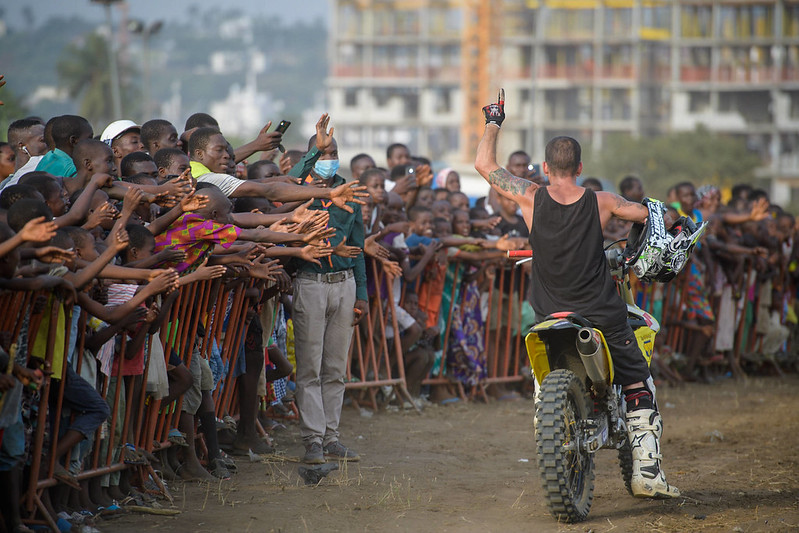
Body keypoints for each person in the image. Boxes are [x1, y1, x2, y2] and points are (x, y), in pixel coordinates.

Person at [474, 93, 680, 499]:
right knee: (638, 380)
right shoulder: (602, 201)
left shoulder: (529, 195)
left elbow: (484, 165)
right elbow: (649, 215)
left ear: (546, 168)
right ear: (581, 168)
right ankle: (647, 473)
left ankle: (546, 420)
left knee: (543, 375)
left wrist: (494, 120)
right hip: (601, 312)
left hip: (550, 311)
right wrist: (669, 216)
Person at [293, 123, 368, 465]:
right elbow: (285, 184)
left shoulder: (348, 191)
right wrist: (311, 154)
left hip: (345, 283)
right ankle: (313, 439)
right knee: (309, 366)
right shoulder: (299, 189)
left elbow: (359, 247)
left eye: (334, 153)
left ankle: (332, 437)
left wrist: (362, 294)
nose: (330, 159)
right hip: (311, 282)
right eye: (324, 154)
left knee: (335, 368)